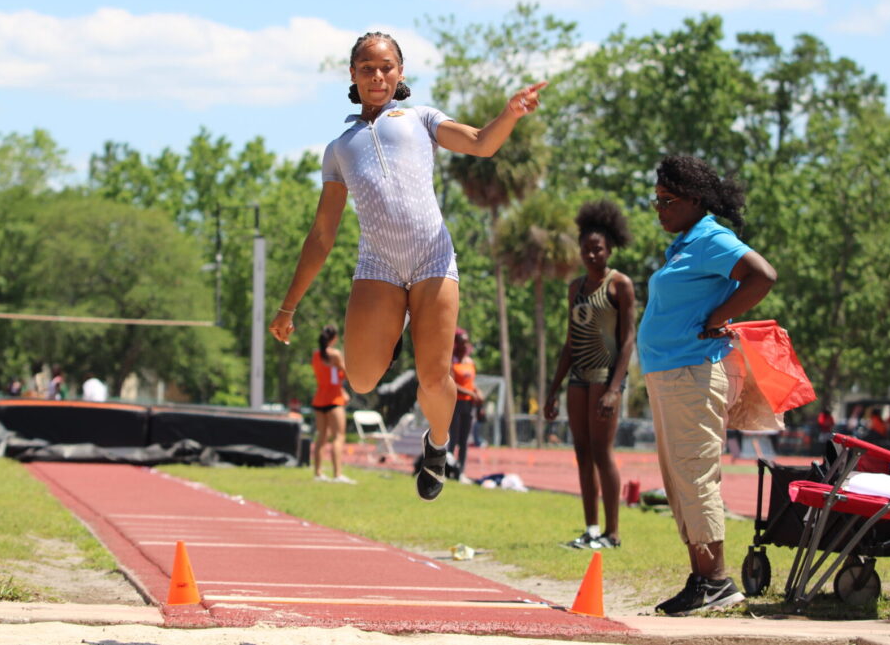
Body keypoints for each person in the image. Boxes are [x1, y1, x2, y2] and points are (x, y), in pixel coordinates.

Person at [268, 31, 545, 501]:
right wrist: (288, 306)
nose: (377, 76)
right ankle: (393, 330)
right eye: (367, 68)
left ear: (400, 74)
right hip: (378, 264)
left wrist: (510, 114)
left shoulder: (420, 118)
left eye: (386, 67)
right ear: (352, 76)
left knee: (435, 379)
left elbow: (480, 142)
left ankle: (437, 447)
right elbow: (321, 235)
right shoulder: (339, 147)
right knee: (360, 379)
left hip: (432, 257)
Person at [638, 155, 777, 616]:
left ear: (695, 201)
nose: (658, 208)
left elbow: (763, 275)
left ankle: (716, 579)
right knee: (679, 478)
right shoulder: (684, 244)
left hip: (692, 373)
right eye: (655, 200)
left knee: (696, 474)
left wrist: (719, 317)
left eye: (667, 200)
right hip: (670, 374)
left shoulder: (713, 238)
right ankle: (702, 577)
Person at [544, 200, 636, 550]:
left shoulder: (620, 285)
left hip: (605, 377)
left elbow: (628, 340)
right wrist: (553, 390)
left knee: (602, 452)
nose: (591, 255)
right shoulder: (575, 288)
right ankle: (591, 529)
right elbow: (569, 343)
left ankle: (613, 533)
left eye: (597, 249)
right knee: (582, 452)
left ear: (609, 248)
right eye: (586, 249)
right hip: (578, 378)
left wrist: (615, 389)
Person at [310, 325, 354, 484]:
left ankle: (318, 473)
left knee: (322, 436)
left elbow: (329, 377)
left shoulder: (316, 355)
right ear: (334, 338)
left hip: (319, 399)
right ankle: (337, 474)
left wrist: (342, 390)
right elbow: (347, 374)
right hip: (333, 400)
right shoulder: (335, 354)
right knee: (338, 436)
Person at [450, 328, 483, 476]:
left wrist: (477, 392)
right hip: (455, 403)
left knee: (464, 440)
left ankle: (461, 470)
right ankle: (448, 468)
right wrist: (470, 393)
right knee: (454, 438)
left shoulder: (470, 362)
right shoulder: (451, 361)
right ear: (456, 344)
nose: (464, 345)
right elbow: (451, 383)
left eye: (466, 342)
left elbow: (471, 383)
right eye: (461, 342)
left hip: (469, 405)